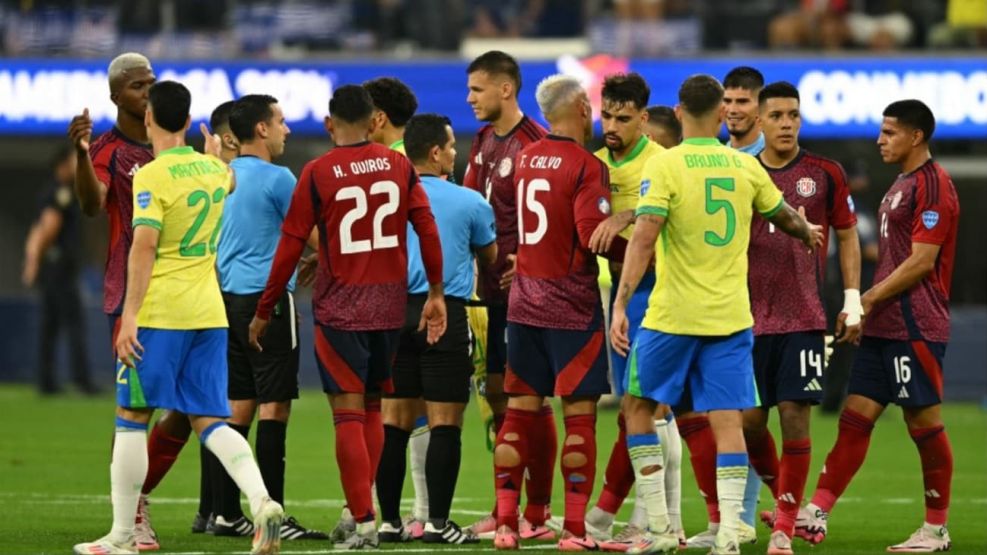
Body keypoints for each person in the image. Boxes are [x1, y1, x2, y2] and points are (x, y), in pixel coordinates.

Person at [609, 74, 823, 555]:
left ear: (681, 112)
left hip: (671, 317)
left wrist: (621, 303)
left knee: (637, 410)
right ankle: (730, 531)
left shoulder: (665, 165)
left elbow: (644, 236)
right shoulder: (743, 166)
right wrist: (806, 231)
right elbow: (783, 213)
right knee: (728, 421)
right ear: (722, 115)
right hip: (730, 319)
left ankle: (661, 529)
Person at [73, 80, 284, 555]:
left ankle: (123, 536)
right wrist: (218, 157)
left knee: (132, 416)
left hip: (162, 313)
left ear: (148, 120)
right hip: (209, 313)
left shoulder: (149, 175)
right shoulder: (212, 170)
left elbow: (143, 247)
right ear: (189, 122)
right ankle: (262, 500)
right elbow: (228, 180)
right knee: (210, 419)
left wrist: (129, 316)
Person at [248, 84, 447, 550]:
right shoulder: (398, 164)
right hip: (390, 306)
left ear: (328, 124)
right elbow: (427, 227)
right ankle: (365, 511)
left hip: (341, 307)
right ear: (375, 121)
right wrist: (435, 290)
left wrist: (264, 309)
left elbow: (289, 247)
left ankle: (361, 521)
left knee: (347, 414)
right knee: (374, 406)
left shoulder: (317, 173)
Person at [800, 99, 959, 553]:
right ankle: (816, 512)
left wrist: (863, 300)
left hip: (915, 325)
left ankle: (935, 529)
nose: (879, 140)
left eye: (889, 132)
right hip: (884, 326)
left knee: (923, 424)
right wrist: (868, 312)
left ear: (916, 136)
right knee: (854, 419)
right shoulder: (899, 186)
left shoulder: (934, 186)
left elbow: (922, 262)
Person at [492, 74, 624, 551]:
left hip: (524, 304)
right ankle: (573, 530)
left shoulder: (526, 158)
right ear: (582, 109)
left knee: (517, 416)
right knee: (580, 421)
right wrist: (637, 228)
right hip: (571, 307)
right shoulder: (588, 166)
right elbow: (594, 234)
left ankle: (507, 525)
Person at [67, 52, 189, 552]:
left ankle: (138, 499)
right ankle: (133, 514)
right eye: (138, 86)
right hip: (131, 294)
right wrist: (78, 153)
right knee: (134, 408)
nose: (147, 92)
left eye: (152, 83)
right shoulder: (109, 150)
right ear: (117, 95)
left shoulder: (176, 145)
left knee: (188, 410)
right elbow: (93, 203)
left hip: (187, 292)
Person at [741, 81, 862, 555]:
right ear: (760, 122)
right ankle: (783, 500)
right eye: (777, 116)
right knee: (750, 422)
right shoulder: (741, 171)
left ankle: (784, 527)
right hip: (746, 319)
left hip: (804, 317)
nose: (787, 123)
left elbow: (849, 236)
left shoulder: (824, 172)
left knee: (795, 419)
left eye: (793, 115)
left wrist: (852, 298)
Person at [207, 94, 326, 541]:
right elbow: (314, 235)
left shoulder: (222, 175)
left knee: (237, 406)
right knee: (275, 406)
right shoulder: (279, 178)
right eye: (280, 121)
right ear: (261, 129)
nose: (286, 130)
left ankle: (224, 512)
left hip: (224, 300)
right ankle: (273, 512)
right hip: (268, 303)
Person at [375, 113, 496, 545]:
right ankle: (438, 525)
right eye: (449, 146)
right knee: (446, 422)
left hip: (390, 314)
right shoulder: (468, 201)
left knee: (394, 423)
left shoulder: (386, 198)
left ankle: (388, 522)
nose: (454, 152)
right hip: (444, 311)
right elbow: (491, 258)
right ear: (434, 153)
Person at [580, 73, 684, 551]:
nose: (614, 125)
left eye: (624, 118)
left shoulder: (662, 162)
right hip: (617, 295)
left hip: (659, 292)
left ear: (644, 118)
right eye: (608, 116)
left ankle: (653, 521)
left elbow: (666, 222)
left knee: (651, 406)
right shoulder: (594, 163)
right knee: (635, 409)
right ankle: (649, 519)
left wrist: (627, 214)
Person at [462, 49, 555, 541]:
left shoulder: (535, 143)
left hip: (526, 296)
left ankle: (536, 512)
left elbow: (551, 212)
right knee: (499, 400)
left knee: (528, 401)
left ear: (506, 89)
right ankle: (508, 508)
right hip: (486, 294)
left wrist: (529, 259)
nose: (469, 98)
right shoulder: (480, 140)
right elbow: (470, 205)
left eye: (477, 89)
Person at [681, 65, 767, 550]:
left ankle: (755, 515)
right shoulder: (711, 158)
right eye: (728, 102)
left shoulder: (765, 160)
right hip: (712, 304)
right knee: (721, 414)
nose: (734, 110)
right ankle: (730, 519)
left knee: (752, 417)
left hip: (755, 305)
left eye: (743, 102)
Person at [361, 76, 435, 540]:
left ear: (379, 118)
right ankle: (423, 513)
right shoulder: (427, 157)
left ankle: (383, 515)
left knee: (388, 412)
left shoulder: (378, 165)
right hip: (431, 297)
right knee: (430, 411)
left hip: (384, 300)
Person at [189, 99, 240, 536]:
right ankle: (231, 508)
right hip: (220, 301)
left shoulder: (205, 179)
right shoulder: (228, 178)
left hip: (201, 298)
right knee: (219, 411)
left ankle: (209, 509)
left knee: (200, 408)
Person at [22, 144, 96, 396]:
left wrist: (33, 262)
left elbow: (36, 229)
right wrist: (35, 261)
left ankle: (47, 382)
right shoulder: (59, 193)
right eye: (75, 161)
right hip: (60, 269)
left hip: (53, 269)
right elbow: (48, 228)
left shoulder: (54, 191)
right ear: (62, 165)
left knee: (50, 325)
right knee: (73, 324)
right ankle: (81, 380)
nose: (78, 166)